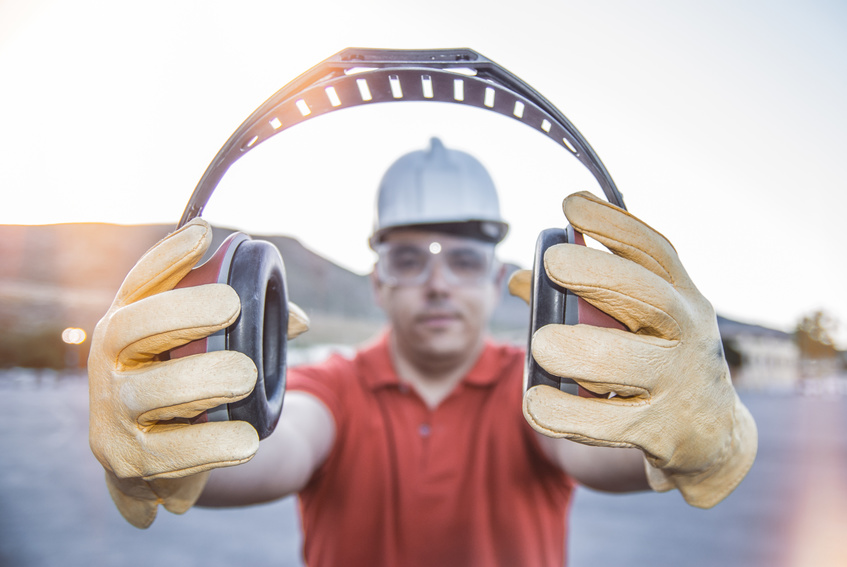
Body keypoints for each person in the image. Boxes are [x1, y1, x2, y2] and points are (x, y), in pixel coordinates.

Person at [88, 138, 757, 567]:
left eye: (462, 259)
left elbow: (597, 448)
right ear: (377, 281)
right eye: (408, 259)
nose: (436, 281)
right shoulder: (333, 386)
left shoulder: (543, 392)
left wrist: (704, 435)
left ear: (496, 280)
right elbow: (272, 451)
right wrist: (171, 442)